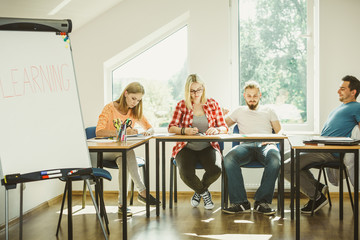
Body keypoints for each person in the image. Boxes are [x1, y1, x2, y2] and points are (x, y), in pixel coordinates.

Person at [284, 75, 360, 214]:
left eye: (343, 89)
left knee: (287, 167)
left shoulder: (357, 107)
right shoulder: (341, 107)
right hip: (320, 147)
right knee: (283, 158)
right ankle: (318, 187)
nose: (338, 91)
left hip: (330, 152)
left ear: (353, 92)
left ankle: (317, 197)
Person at [95, 82, 159, 216]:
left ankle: (122, 205)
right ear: (125, 94)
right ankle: (142, 191)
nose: (135, 103)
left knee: (126, 157)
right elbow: (99, 132)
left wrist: (148, 132)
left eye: (138, 100)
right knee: (128, 153)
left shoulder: (134, 111)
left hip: (121, 151)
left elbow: (150, 127)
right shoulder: (109, 108)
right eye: (133, 98)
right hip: (105, 151)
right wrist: (122, 132)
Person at [168, 74, 228, 210]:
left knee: (216, 169)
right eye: (192, 90)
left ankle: (198, 192)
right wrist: (185, 131)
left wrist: (216, 130)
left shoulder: (212, 104)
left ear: (203, 88)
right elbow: (171, 127)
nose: (196, 94)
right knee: (185, 173)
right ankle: (204, 193)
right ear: (187, 91)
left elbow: (224, 127)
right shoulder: (182, 105)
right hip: (186, 147)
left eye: (198, 90)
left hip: (208, 146)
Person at [222, 80, 281, 215]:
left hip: (265, 145)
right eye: (249, 96)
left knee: (275, 158)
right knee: (229, 158)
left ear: (260, 95)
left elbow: (279, 131)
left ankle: (262, 202)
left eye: (255, 96)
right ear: (244, 96)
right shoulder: (239, 111)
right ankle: (241, 203)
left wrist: (271, 140)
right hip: (245, 146)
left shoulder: (269, 110)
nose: (252, 99)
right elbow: (222, 125)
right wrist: (220, 112)